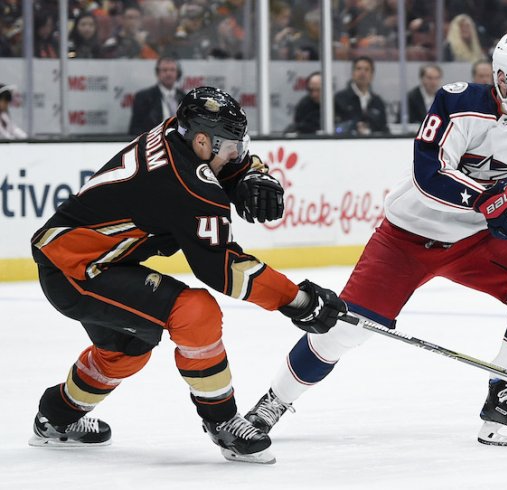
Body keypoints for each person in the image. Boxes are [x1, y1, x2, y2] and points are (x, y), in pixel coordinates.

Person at [244, 33, 507, 448]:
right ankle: (272, 403)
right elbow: (429, 173)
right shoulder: (457, 103)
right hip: (407, 237)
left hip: (479, 240)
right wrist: (486, 199)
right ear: (501, 78)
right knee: (347, 329)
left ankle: (503, 399)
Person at [28, 86, 346, 464]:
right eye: (232, 147)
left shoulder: (176, 133)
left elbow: (215, 165)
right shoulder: (186, 186)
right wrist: (299, 301)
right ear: (201, 140)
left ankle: (55, 418)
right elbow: (225, 271)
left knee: (127, 349)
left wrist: (249, 174)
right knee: (195, 312)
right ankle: (223, 421)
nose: (237, 155)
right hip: (76, 272)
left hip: (85, 258)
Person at [128, 57, 185, 136]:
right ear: (158, 73)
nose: (168, 73)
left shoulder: (184, 97)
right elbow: (135, 129)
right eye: (164, 70)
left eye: (172, 70)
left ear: (178, 73)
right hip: (153, 145)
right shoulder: (143, 98)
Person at [334, 56, 388, 135]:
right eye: (358, 69)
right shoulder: (340, 99)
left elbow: (384, 128)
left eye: (366, 70)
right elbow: (336, 127)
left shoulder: (377, 102)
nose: (362, 73)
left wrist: (370, 130)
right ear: (353, 73)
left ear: (372, 75)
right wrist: (353, 128)